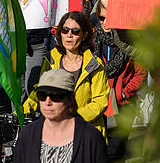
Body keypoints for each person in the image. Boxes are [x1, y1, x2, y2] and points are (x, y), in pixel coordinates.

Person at [23, 11, 110, 139]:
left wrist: (73, 119)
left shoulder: (94, 64)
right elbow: (39, 90)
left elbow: (100, 102)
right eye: (65, 30)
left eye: (75, 31)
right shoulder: (51, 59)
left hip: (86, 133)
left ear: (84, 35)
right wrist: (22, 111)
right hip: (56, 132)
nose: (69, 35)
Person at [92, 0, 146, 161]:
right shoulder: (91, 39)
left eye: (109, 17)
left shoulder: (129, 41)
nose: (105, 22)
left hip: (122, 105)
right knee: (98, 153)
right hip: (97, 103)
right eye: (101, 18)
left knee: (116, 153)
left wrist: (123, 92)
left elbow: (141, 74)